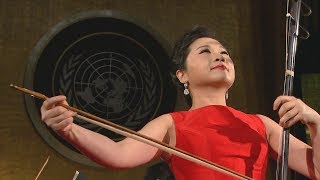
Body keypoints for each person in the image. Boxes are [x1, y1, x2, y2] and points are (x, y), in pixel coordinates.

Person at [40, 26, 320, 180]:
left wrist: (314, 121)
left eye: (224, 53)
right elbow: (119, 154)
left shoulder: (261, 124)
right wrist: (69, 129)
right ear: (182, 74)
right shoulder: (171, 123)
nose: (220, 57)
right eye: (205, 51)